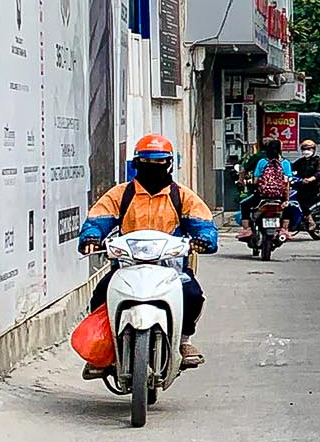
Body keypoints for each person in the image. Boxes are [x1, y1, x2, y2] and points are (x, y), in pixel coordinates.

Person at [80, 135, 221, 366]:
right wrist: (92, 237)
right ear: (136, 164)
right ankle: (104, 346)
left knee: (193, 296)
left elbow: (204, 225)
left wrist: (203, 239)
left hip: (171, 270)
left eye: (159, 163)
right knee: (100, 296)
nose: (153, 168)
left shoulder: (182, 196)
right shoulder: (120, 195)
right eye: (147, 163)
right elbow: (98, 219)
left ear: (169, 164)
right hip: (126, 267)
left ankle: (183, 341)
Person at [291, 140, 320, 226]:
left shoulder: (317, 161)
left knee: (301, 200)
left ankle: (310, 220)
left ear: (313, 150)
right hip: (300, 186)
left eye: (308, 149)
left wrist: (311, 179)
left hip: (312, 188)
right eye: (304, 149)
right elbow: (291, 168)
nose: (306, 151)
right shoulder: (300, 161)